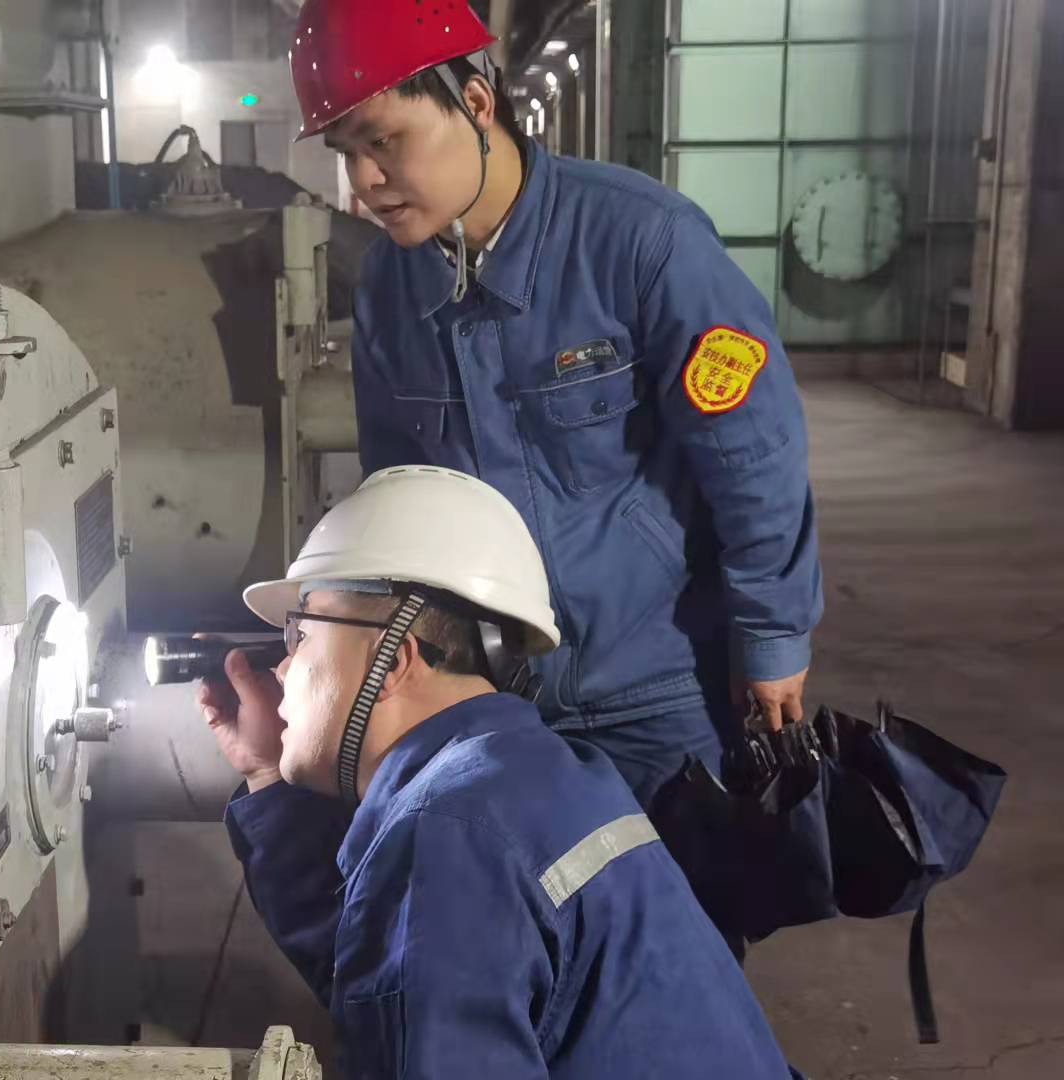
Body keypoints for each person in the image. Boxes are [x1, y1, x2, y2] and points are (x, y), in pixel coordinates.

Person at [287, 0, 824, 810]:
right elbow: (396, 495)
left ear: (475, 103)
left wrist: (772, 633)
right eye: (346, 153)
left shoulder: (642, 242)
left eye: (383, 141)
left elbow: (751, 452)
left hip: (661, 688)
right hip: (493, 700)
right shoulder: (389, 286)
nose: (363, 183)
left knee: (681, 890)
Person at [199, 466, 795, 1078]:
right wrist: (268, 772)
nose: (282, 669)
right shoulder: (540, 777)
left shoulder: (446, 834)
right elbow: (396, 991)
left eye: (301, 632)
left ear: (393, 657)